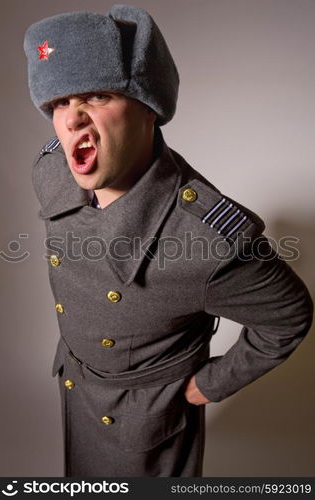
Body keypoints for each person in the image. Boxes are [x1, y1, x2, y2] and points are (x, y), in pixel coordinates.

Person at [24, 5, 313, 477]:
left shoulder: (207, 242)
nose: (71, 120)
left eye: (97, 96)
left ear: (149, 108)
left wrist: (210, 385)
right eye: (58, 102)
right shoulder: (51, 172)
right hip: (77, 383)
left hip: (143, 418)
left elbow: (289, 315)